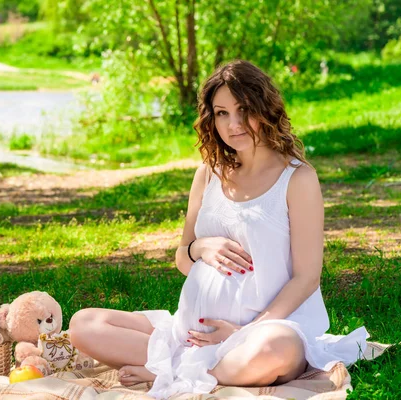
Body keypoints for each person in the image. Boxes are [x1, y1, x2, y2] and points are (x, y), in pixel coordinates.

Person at [69, 60, 369, 398]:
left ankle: (170, 372)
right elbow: (182, 258)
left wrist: (242, 333)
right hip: (190, 333)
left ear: (265, 109)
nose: (233, 124)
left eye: (243, 110)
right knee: (83, 324)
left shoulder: (297, 179)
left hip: (261, 333)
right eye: (222, 113)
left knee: (277, 350)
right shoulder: (208, 174)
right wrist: (200, 248)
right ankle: (188, 365)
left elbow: (306, 277)